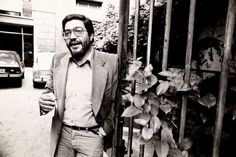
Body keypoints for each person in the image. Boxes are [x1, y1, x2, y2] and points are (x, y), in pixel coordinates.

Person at [38, 13, 118, 157]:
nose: (72, 37)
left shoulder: (110, 62)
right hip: (63, 135)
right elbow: (49, 90)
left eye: (78, 31)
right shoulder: (58, 60)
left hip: (92, 136)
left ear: (91, 36)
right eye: (67, 33)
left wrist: (105, 129)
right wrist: (44, 101)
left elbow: (117, 101)